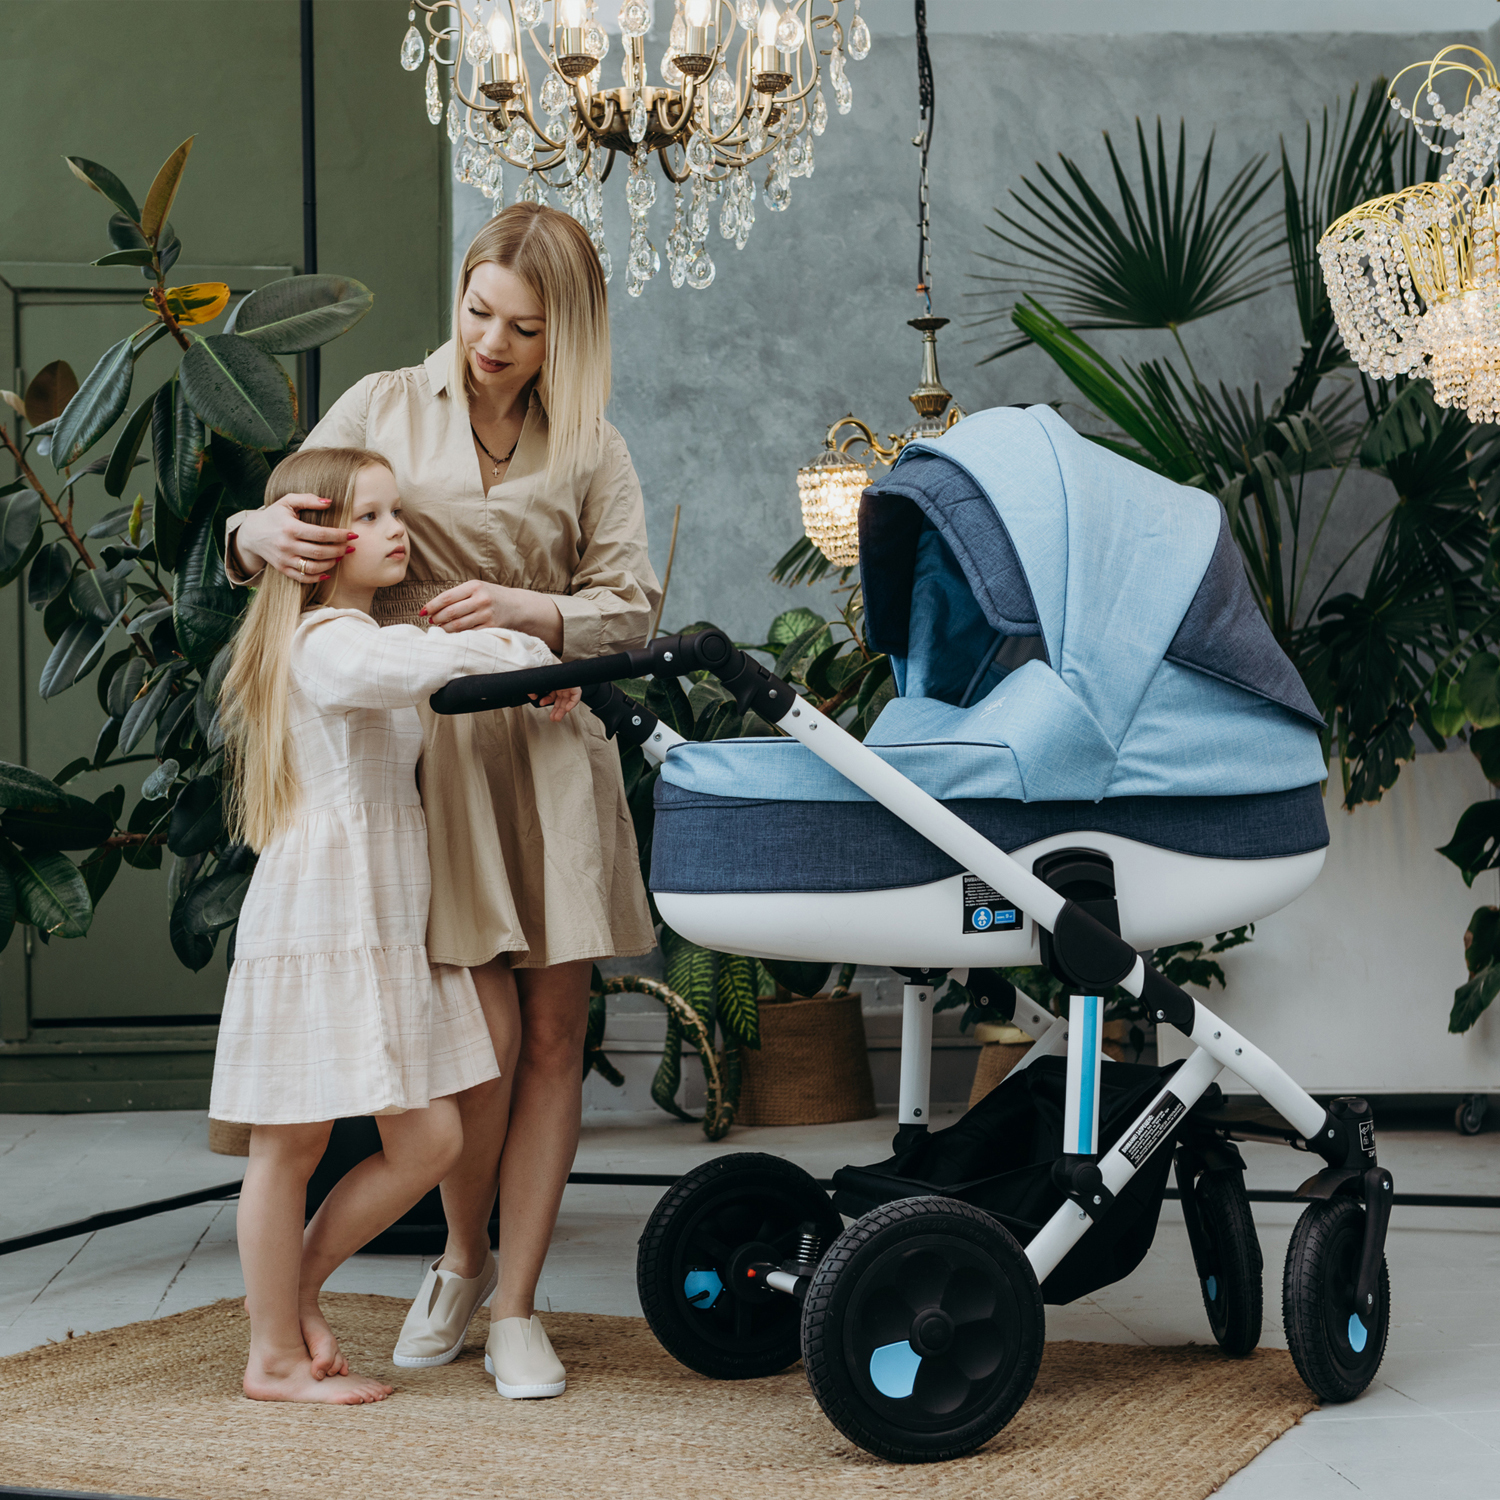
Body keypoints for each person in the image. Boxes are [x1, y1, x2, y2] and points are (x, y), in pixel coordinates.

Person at [224, 203, 660, 1399]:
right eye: (479, 313)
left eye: (525, 328)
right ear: (460, 296)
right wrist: (251, 531)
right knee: (480, 1046)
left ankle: (517, 1307)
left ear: (568, 332)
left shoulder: (595, 444)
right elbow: (296, 513)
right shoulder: (380, 403)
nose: (492, 344)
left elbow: (630, 603)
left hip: (551, 752)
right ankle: (461, 1265)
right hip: (422, 752)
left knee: (556, 1036)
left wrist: (538, 617)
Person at [211, 446, 578, 1405]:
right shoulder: (327, 641)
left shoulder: (361, 632)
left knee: (431, 1141)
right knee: (288, 1145)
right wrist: (531, 652)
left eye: (395, 512)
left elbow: (424, 667)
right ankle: (272, 1359)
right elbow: (416, 663)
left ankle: (294, 1296)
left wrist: (530, 668)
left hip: (379, 917)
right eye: (367, 517)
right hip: (320, 916)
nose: (394, 531)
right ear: (315, 544)